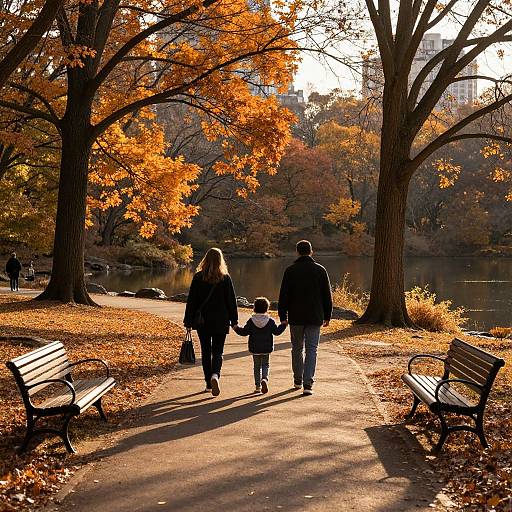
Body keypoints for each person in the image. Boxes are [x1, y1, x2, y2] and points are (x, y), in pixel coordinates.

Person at [278, 240, 332, 396]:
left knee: (296, 348)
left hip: (296, 316)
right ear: (311, 251)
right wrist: (328, 315)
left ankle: (297, 380)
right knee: (312, 350)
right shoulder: (320, 270)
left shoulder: (290, 271)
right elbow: (326, 296)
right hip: (315, 316)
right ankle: (308, 383)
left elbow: (284, 296)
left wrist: (283, 315)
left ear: (297, 252)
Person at [184, 248, 238, 396]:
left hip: (203, 322)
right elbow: (231, 301)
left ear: (205, 260)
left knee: (206, 352)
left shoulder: (198, 277)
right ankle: (216, 375)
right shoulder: (225, 278)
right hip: (221, 320)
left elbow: (192, 302)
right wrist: (234, 321)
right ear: (221, 260)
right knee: (218, 351)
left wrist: (188, 321)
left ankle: (208, 383)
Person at [234, 297, 287, 394]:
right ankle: (264, 379)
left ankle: (257, 386)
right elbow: (277, 332)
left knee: (256, 366)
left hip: (255, 348)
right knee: (265, 364)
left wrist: (236, 328)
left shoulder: (251, 320)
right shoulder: (270, 321)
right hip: (266, 347)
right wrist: (283, 324)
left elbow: (244, 332)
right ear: (267, 309)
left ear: (254, 308)